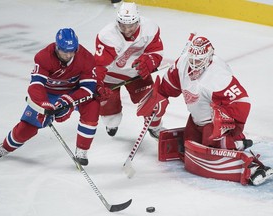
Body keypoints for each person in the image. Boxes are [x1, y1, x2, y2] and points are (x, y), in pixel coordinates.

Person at [138, 35, 273, 185]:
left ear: (209, 58)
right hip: (196, 119)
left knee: (215, 146)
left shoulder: (218, 76)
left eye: (199, 60)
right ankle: (237, 142)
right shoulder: (182, 63)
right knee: (189, 146)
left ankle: (244, 154)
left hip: (213, 124)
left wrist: (226, 123)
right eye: (192, 58)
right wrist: (158, 100)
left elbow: (242, 102)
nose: (194, 63)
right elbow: (167, 88)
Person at [0, 28, 99, 166]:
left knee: (93, 105)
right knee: (27, 127)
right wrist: (44, 104)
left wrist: (68, 102)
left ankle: (82, 150)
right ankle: (6, 146)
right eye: (64, 51)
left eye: (72, 50)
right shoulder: (44, 57)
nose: (69, 55)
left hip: (73, 92)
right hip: (49, 95)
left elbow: (88, 88)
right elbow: (36, 85)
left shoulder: (85, 57)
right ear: (57, 47)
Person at [94, 2, 164, 138]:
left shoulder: (150, 28)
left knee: (151, 101)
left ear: (138, 20)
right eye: (123, 25)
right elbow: (100, 66)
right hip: (111, 75)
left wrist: (149, 62)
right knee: (109, 109)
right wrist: (97, 84)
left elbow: (156, 52)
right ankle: (111, 123)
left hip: (136, 74)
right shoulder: (107, 35)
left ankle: (155, 127)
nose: (127, 30)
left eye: (130, 25)